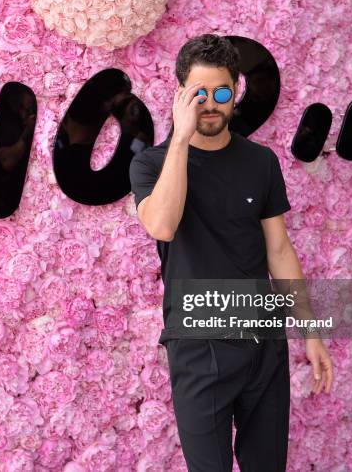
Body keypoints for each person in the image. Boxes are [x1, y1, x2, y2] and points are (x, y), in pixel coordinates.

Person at [128, 34, 334, 472]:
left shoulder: (260, 162)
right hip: (198, 345)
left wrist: (311, 332)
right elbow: (161, 225)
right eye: (198, 93)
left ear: (235, 93)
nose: (210, 104)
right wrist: (180, 141)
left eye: (221, 93)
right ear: (181, 94)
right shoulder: (150, 164)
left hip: (263, 342)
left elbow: (278, 249)